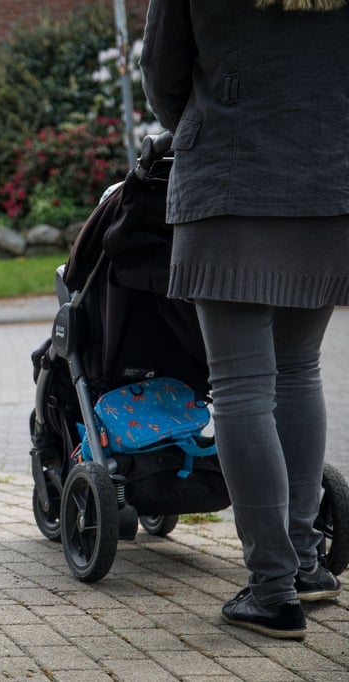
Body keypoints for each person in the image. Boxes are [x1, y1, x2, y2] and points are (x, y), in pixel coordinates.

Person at [140, 0, 348, 639]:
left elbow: (162, 73)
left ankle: (271, 589)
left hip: (229, 178)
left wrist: (212, 123)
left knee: (241, 387)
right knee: (297, 371)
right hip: (329, 178)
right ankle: (306, 566)